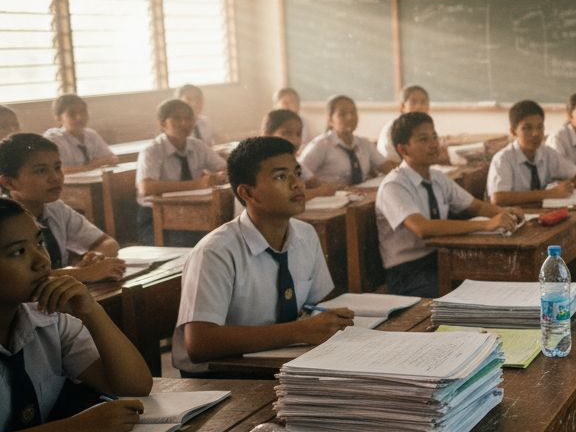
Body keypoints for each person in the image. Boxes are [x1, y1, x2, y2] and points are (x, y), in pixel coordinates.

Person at [173, 136, 355, 377]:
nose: (297, 184)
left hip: (279, 363)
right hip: (220, 378)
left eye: (297, 173)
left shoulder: (305, 234)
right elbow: (199, 343)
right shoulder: (216, 251)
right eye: (281, 176)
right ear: (248, 193)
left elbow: (317, 304)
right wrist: (299, 331)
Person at [0, 197, 152, 432]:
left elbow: (134, 386)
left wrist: (91, 311)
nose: (42, 261)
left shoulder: (46, 317)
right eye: (18, 252)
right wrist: (76, 428)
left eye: (39, 243)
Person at [377, 112, 522, 298]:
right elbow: (423, 228)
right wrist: (487, 224)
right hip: (408, 273)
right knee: (476, 294)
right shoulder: (394, 185)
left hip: (440, 260)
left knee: (500, 280)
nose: (433, 144)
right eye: (423, 139)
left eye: (434, 136)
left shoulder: (437, 177)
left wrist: (504, 212)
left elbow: (475, 206)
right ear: (403, 149)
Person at [0, 134, 124, 283]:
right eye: (41, 170)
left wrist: (96, 256)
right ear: (8, 183)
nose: (56, 177)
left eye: (57, 167)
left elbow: (107, 242)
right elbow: (20, 280)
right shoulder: (5, 219)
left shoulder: (55, 208)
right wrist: (85, 273)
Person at [134, 99, 227, 245]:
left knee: (221, 238)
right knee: (197, 244)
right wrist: (197, 184)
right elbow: (146, 187)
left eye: (188, 118)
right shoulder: (152, 151)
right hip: (155, 217)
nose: (184, 123)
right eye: (177, 118)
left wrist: (222, 175)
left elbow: (225, 167)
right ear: (162, 124)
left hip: (193, 213)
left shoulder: (197, 146)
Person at [487, 100, 576, 206]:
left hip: (543, 213)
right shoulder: (503, 159)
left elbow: (573, 174)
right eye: (527, 128)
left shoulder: (547, 152)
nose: (536, 134)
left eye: (540, 127)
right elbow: (498, 198)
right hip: (514, 218)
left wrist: (566, 186)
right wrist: (549, 193)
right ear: (513, 131)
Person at [297, 95, 395, 187]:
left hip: (360, 198)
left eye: (353, 112)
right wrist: (322, 186)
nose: (350, 117)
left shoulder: (364, 144)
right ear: (330, 120)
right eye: (342, 114)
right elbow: (300, 172)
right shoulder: (321, 144)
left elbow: (388, 168)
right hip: (331, 200)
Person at [261, 109, 337, 198]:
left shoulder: (293, 162)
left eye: (298, 134)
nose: (295, 140)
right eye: (287, 133)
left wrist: (341, 187)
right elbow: (281, 198)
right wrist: (319, 192)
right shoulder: (262, 164)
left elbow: (315, 183)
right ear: (267, 135)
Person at [43, 94, 117, 171]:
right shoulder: (54, 138)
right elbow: (60, 170)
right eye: (72, 114)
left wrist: (84, 167)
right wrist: (92, 165)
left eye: (83, 111)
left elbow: (112, 159)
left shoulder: (91, 135)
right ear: (58, 118)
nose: (79, 117)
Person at [377, 85, 431, 162]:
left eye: (423, 102)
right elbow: (389, 160)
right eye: (414, 102)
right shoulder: (393, 128)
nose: (419, 106)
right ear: (402, 107)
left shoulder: (427, 127)